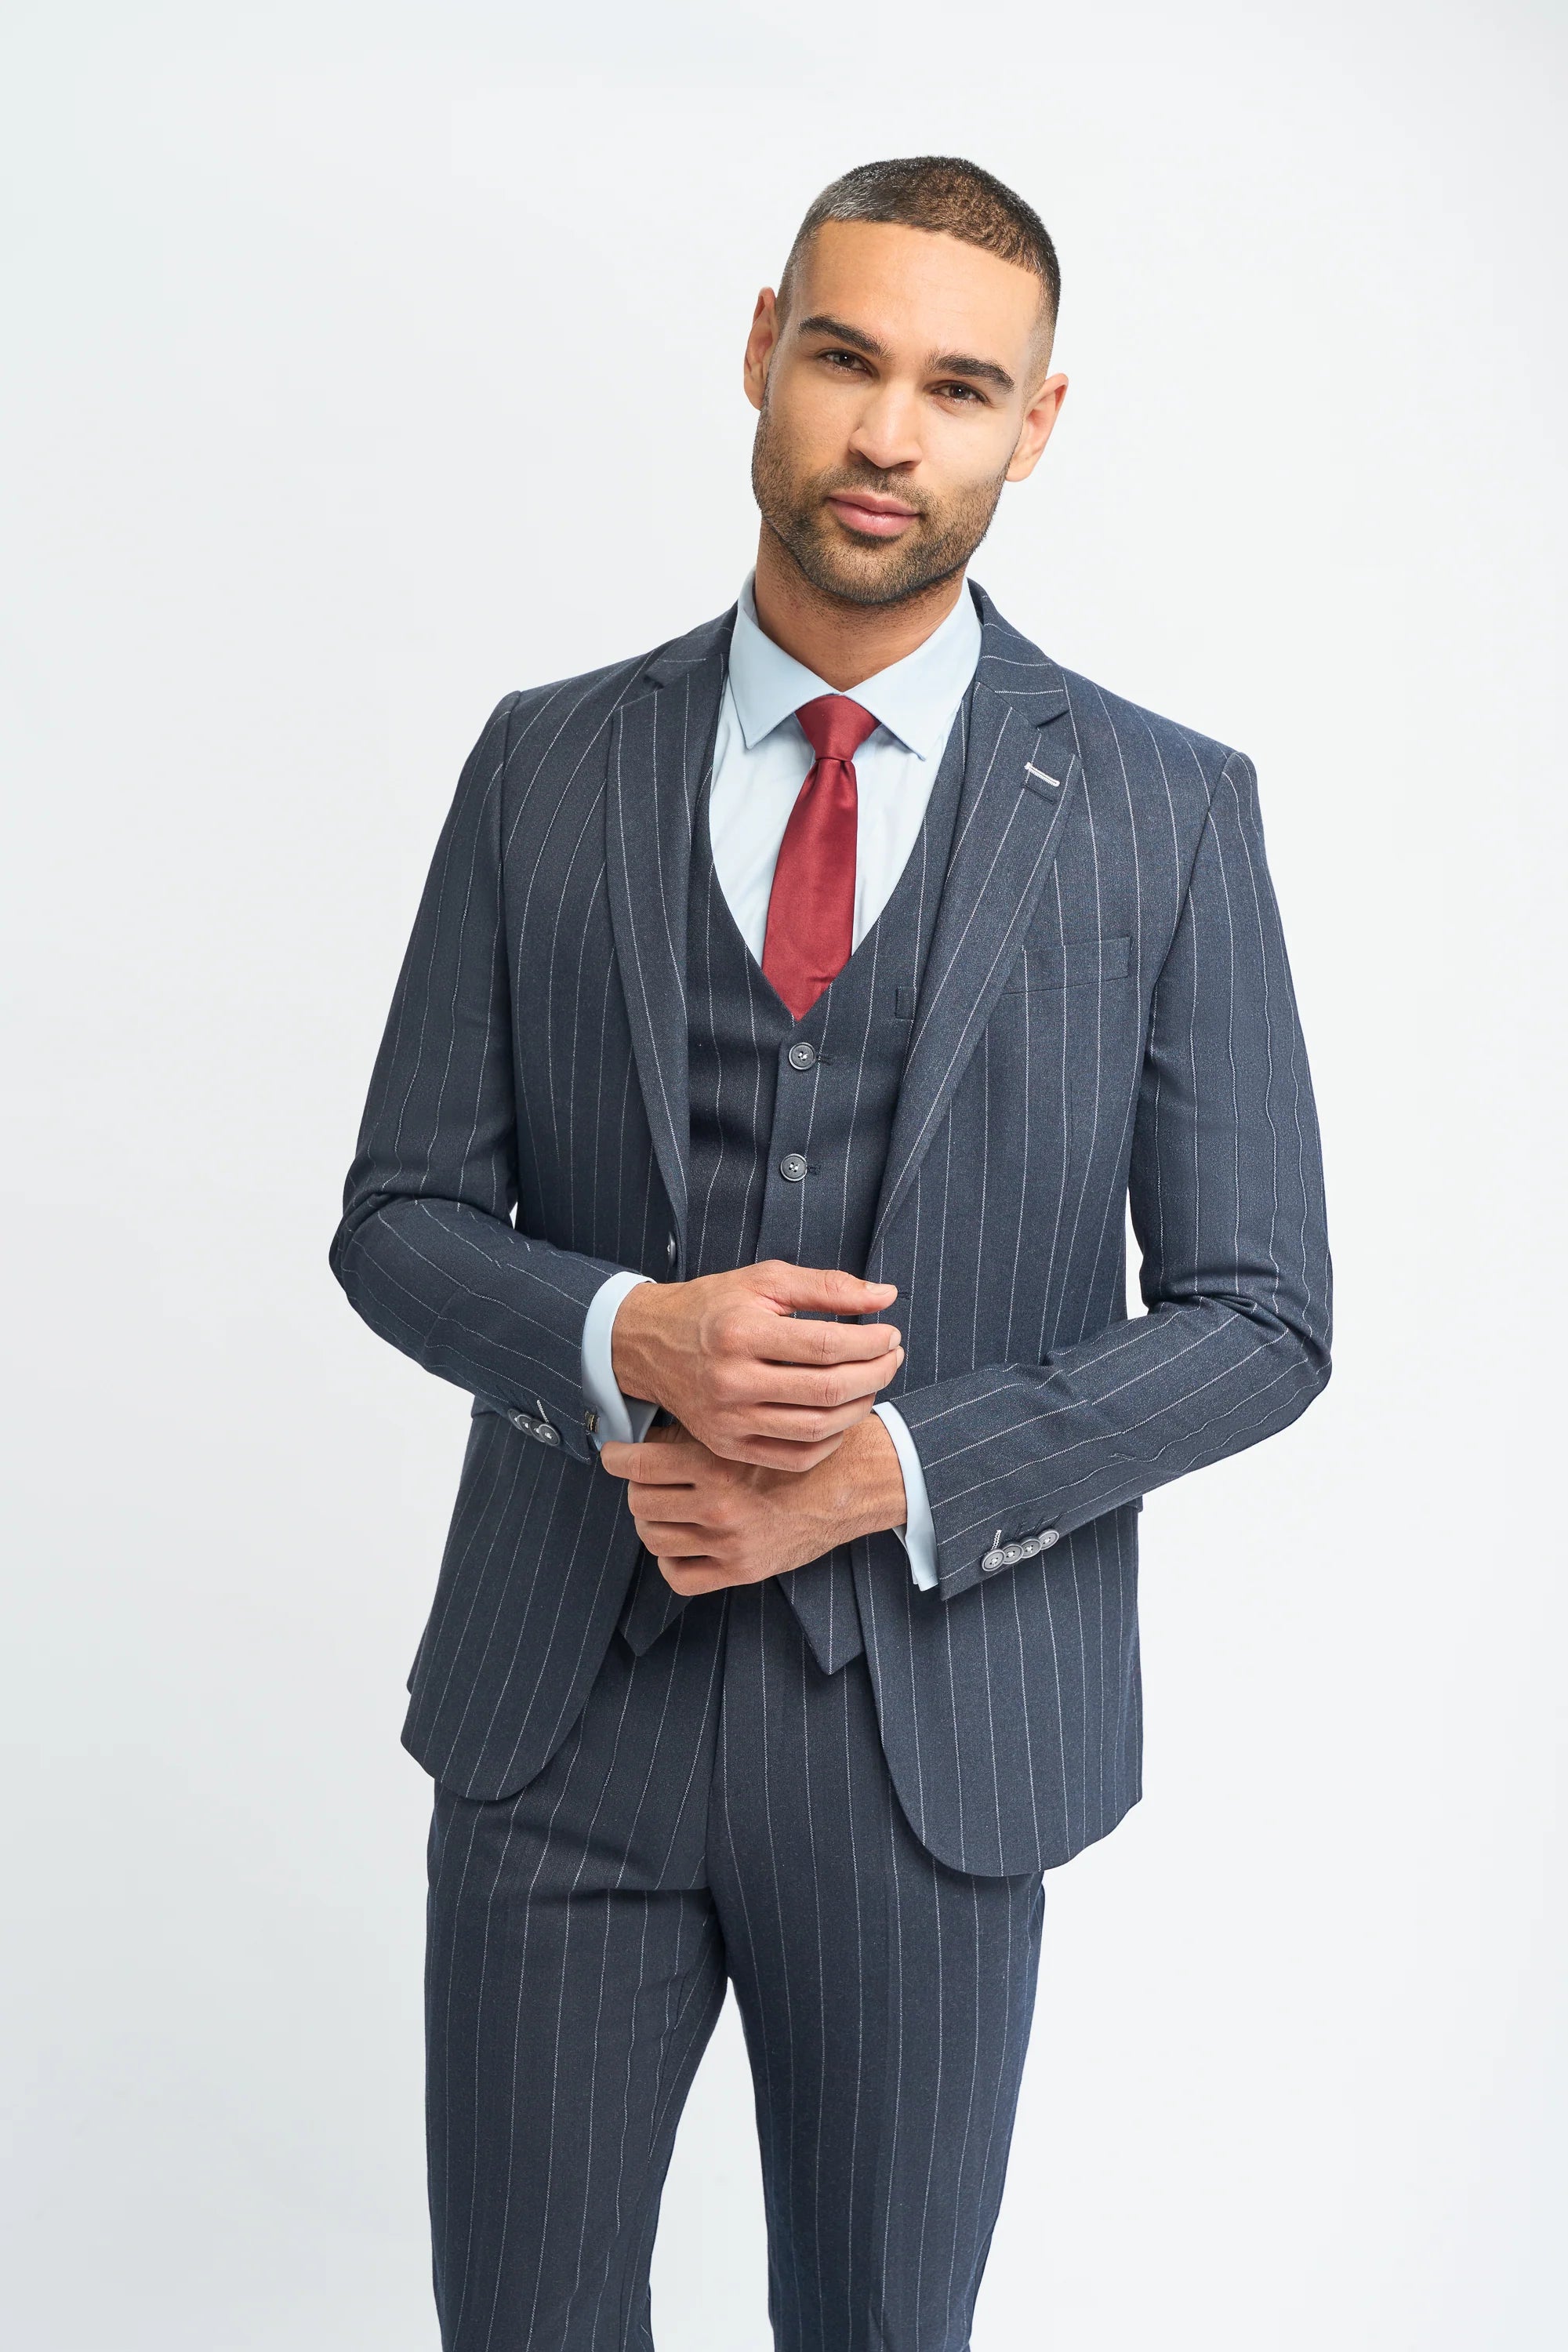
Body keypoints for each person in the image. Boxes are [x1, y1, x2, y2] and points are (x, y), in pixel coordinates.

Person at [330, 153, 1330, 2352]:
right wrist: (625, 1332)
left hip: (932, 1740)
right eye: (852, 358)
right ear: (763, 346)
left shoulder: (1167, 811)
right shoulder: (544, 764)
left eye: (960, 388)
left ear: (1035, 425)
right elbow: (395, 1218)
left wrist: (900, 1470)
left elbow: (1264, 1320)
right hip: (558, 1715)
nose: (892, 432)